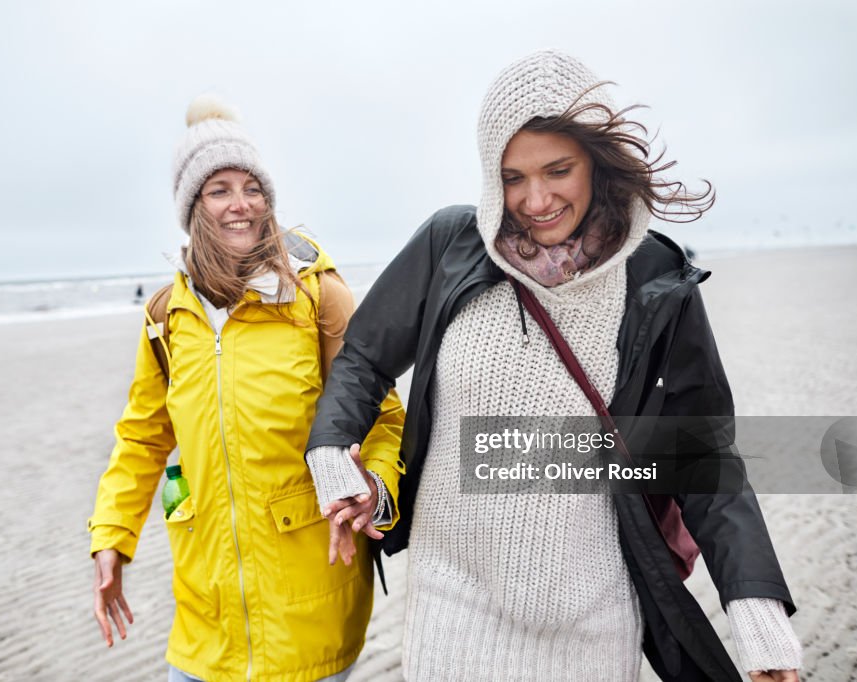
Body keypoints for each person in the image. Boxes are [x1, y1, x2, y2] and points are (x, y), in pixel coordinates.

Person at [305, 51, 803, 681]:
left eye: (558, 170)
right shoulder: (451, 247)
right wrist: (332, 452)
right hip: (450, 611)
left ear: (597, 161)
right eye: (513, 177)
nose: (535, 200)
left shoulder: (653, 279)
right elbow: (364, 360)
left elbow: (702, 458)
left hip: (593, 625)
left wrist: (756, 613)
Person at [88, 95, 405, 682]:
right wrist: (111, 537)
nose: (241, 205)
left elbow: (383, 417)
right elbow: (142, 439)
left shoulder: (317, 297)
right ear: (191, 207)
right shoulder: (166, 314)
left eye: (251, 187)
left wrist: (374, 485)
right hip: (204, 616)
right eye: (219, 190)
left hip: (309, 610)